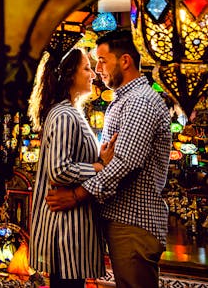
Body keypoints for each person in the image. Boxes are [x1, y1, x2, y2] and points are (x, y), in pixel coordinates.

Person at [46, 29, 172, 288]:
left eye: (102, 60)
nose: (97, 69)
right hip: (125, 222)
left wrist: (77, 194)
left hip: (135, 223)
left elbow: (124, 163)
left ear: (124, 61)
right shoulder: (125, 100)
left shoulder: (139, 101)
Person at [27, 47, 115, 288]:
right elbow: (60, 170)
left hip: (70, 230)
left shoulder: (69, 112)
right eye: (87, 68)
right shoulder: (65, 115)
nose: (93, 74)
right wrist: (99, 166)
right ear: (69, 75)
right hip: (66, 231)